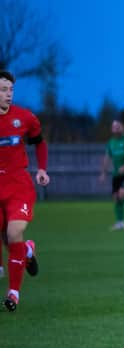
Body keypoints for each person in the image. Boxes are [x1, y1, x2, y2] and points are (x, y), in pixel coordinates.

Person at [0, 70, 49, 311]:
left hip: (18, 185)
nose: (8, 95)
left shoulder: (25, 118)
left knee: (13, 233)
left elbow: (39, 142)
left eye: (10, 90)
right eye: (3, 90)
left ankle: (13, 293)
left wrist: (41, 169)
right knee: (10, 240)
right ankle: (27, 251)